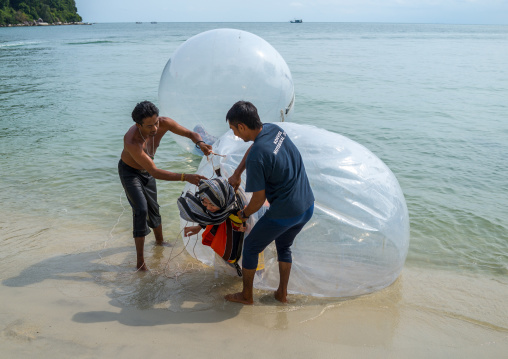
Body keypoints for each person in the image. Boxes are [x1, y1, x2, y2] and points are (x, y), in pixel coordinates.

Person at [225, 101, 314, 305]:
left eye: (233, 130)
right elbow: (255, 148)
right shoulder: (274, 130)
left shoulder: (258, 156)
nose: (235, 136)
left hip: (286, 212)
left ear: (242, 126)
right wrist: (238, 172)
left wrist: (244, 214)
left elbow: (258, 200)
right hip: (307, 205)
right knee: (284, 246)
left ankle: (247, 295)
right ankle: (281, 293)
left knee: (250, 247)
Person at [118, 100, 213, 270]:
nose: (154, 129)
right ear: (138, 125)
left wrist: (201, 144)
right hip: (130, 172)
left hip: (147, 170)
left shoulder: (164, 123)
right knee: (141, 209)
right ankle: (140, 262)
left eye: (156, 123)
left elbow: (191, 134)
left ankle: (160, 242)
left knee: (153, 206)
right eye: (149, 126)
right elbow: (154, 171)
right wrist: (185, 177)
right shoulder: (131, 140)